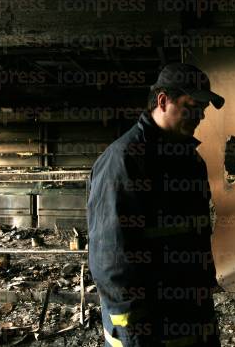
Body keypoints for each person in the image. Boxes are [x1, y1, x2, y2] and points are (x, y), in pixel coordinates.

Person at [87, 63, 225, 347]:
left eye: (203, 108)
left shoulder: (191, 161)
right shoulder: (123, 161)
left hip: (190, 312)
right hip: (147, 324)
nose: (200, 115)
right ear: (163, 101)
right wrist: (133, 328)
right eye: (193, 105)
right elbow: (110, 257)